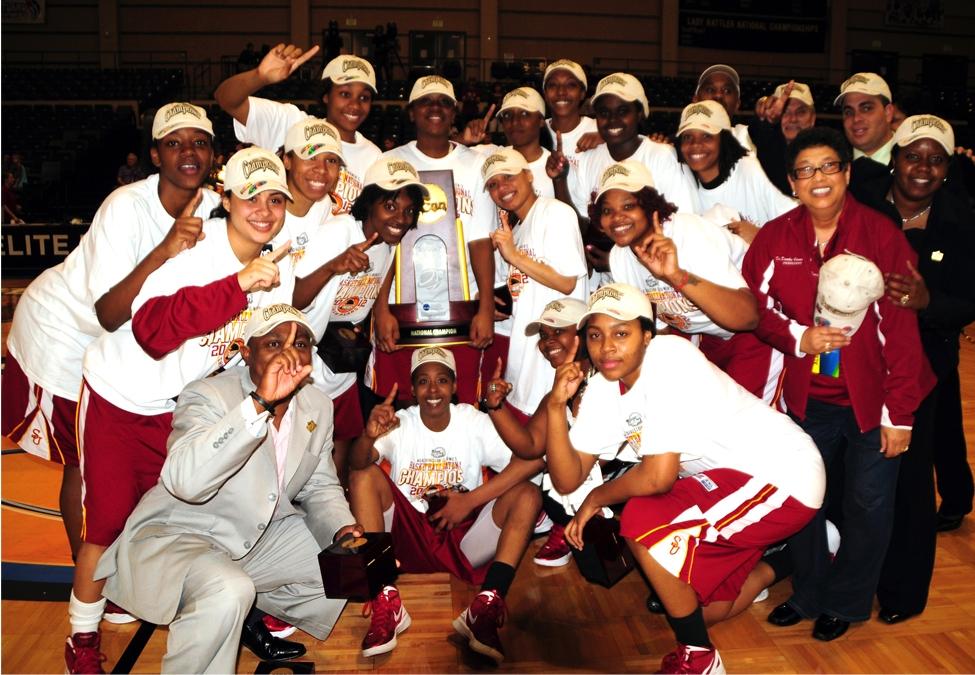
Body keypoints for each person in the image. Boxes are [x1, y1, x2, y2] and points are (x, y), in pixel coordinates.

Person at [63, 147, 296, 673]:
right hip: (118, 398)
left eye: (276, 198)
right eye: (252, 196)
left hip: (176, 406)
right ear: (228, 199)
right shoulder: (197, 253)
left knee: (181, 519)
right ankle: (81, 638)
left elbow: (243, 351)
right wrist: (237, 286)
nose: (264, 209)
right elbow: (150, 333)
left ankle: (211, 608)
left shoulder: (270, 263)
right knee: (107, 524)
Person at [543, 283, 825, 674]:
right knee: (699, 608)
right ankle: (799, 552)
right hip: (728, 488)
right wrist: (556, 407)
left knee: (641, 519)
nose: (607, 346)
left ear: (647, 334)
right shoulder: (606, 386)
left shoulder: (670, 357)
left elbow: (658, 477)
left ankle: (701, 657)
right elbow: (567, 478)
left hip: (782, 474)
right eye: (596, 335)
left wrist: (597, 499)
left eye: (621, 333)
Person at [1, 102, 218, 568]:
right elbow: (108, 314)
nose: (188, 152)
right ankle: (91, 577)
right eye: (173, 142)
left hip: (129, 345)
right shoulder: (125, 207)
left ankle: (132, 566)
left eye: (199, 142)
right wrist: (163, 250)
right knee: (85, 462)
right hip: (66, 332)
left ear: (213, 153)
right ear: (155, 155)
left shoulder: (216, 207)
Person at [741, 127, 936, 642]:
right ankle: (807, 592)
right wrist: (799, 337)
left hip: (871, 403)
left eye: (829, 166)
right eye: (806, 170)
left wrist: (900, 416)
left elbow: (901, 331)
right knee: (805, 499)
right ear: (792, 182)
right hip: (806, 400)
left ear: (847, 173)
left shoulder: (880, 235)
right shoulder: (775, 238)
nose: (819, 178)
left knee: (868, 506)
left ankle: (847, 603)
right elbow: (757, 311)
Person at [93, 306, 361, 673]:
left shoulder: (317, 404)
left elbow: (320, 486)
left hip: (255, 536)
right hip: (181, 536)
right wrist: (259, 404)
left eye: (300, 343)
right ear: (245, 351)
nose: (289, 353)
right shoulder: (207, 396)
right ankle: (224, 607)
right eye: (273, 343)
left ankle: (244, 614)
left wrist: (342, 530)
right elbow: (185, 483)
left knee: (345, 565)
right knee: (228, 590)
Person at [348, 347, 543, 664]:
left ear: (454, 386)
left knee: (529, 495)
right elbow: (357, 464)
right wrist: (368, 438)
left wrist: (470, 500)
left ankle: (485, 605)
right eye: (423, 381)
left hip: (463, 536)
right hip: (406, 537)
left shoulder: (472, 420)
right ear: (412, 390)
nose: (433, 390)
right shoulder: (400, 422)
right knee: (364, 477)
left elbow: (532, 463)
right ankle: (385, 598)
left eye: (441, 380)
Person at [862, 116, 974, 622]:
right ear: (895, 158)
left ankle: (904, 593)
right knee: (856, 472)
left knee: (908, 478)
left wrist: (930, 302)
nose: (923, 168)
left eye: (936, 158)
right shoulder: (862, 200)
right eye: (913, 155)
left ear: (948, 167)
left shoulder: (963, 219)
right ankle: (853, 577)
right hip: (858, 356)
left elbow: (967, 302)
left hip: (924, 363)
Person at [588, 159, 788, 406]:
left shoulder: (688, 233)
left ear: (651, 207)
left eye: (628, 206)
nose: (617, 217)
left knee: (739, 424)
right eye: (607, 211)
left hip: (756, 332)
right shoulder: (621, 258)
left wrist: (675, 275)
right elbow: (658, 328)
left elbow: (749, 317)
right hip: (703, 335)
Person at [298, 157, 428, 482]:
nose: (401, 218)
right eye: (390, 206)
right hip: (306, 364)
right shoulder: (337, 233)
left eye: (409, 211)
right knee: (301, 452)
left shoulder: (388, 241)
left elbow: (383, 272)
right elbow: (294, 298)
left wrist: (378, 311)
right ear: (369, 202)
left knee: (341, 439)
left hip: (341, 361)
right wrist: (333, 265)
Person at [373, 76, 499, 405]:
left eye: (444, 101)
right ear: (412, 112)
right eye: (426, 101)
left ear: (454, 112)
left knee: (462, 402)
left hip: (461, 309)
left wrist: (485, 308)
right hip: (402, 310)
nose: (435, 107)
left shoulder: (476, 165)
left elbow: (481, 242)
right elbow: (381, 242)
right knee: (399, 403)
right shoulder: (389, 164)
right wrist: (380, 308)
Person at [482, 147, 588, 420]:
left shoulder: (555, 212)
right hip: (526, 349)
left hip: (555, 351)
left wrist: (514, 256)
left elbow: (566, 282)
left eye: (508, 176)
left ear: (529, 176)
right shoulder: (515, 231)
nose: (501, 187)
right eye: (493, 184)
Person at [215, 44, 382, 214]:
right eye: (345, 94)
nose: (355, 105)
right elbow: (227, 100)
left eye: (364, 97)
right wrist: (259, 77)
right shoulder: (292, 123)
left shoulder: (374, 157)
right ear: (326, 95)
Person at [675, 100, 796, 244]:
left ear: (724, 139)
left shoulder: (750, 169)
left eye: (707, 136)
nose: (695, 144)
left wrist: (760, 237)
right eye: (687, 137)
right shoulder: (684, 183)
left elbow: (797, 224)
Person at [834, 72, 896, 202]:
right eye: (848, 112)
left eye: (866, 108)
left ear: (888, 113)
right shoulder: (832, 165)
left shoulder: (913, 165)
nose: (856, 119)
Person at [750, 81, 818, 195]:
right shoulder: (761, 155)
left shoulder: (827, 155)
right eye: (785, 111)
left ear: (812, 119)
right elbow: (758, 133)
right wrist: (764, 122)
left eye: (801, 112)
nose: (793, 119)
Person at [541, 59, 600, 175]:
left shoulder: (600, 129)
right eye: (553, 85)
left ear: (582, 93)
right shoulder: (535, 131)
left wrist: (606, 137)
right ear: (545, 94)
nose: (561, 92)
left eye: (571, 85)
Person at [692, 64, 755, 153]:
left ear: (737, 104)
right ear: (696, 101)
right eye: (710, 90)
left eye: (727, 91)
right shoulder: (675, 146)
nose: (718, 95)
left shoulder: (748, 138)